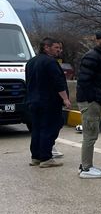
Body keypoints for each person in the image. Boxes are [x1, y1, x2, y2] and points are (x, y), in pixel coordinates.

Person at [25, 37, 72, 168]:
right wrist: (65, 99)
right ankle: (46, 158)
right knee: (50, 128)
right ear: (46, 47)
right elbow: (58, 82)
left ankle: (36, 157)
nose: (59, 50)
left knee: (37, 129)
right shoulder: (50, 62)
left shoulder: (31, 62)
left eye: (60, 48)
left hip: (33, 101)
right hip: (48, 102)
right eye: (56, 48)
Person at [76, 32, 101, 178]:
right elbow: (84, 81)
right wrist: (92, 99)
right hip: (90, 101)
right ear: (97, 40)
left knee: (92, 134)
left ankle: (88, 165)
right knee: (90, 135)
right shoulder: (92, 56)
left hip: (96, 100)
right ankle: (86, 169)